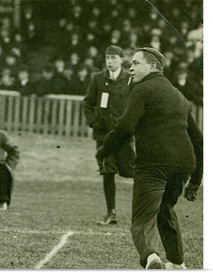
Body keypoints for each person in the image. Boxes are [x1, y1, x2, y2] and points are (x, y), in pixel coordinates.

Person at [96, 47, 203, 269]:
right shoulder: (178, 95)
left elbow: (125, 126)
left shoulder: (141, 89)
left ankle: (151, 258)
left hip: (153, 165)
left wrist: (103, 151)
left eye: (135, 63)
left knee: (142, 221)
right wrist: (195, 180)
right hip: (182, 165)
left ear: (152, 66)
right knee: (166, 211)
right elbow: (199, 140)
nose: (130, 68)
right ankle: (176, 263)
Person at [83, 45, 135, 225]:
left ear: (121, 59)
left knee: (131, 171)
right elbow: (88, 103)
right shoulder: (98, 79)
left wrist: (131, 125)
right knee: (107, 170)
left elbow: (137, 104)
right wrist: (93, 122)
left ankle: (144, 211)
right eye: (107, 58)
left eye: (114, 58)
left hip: (124, 135)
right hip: (103, 136)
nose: (110, 62)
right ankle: (111, 212)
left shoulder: (130, 79)